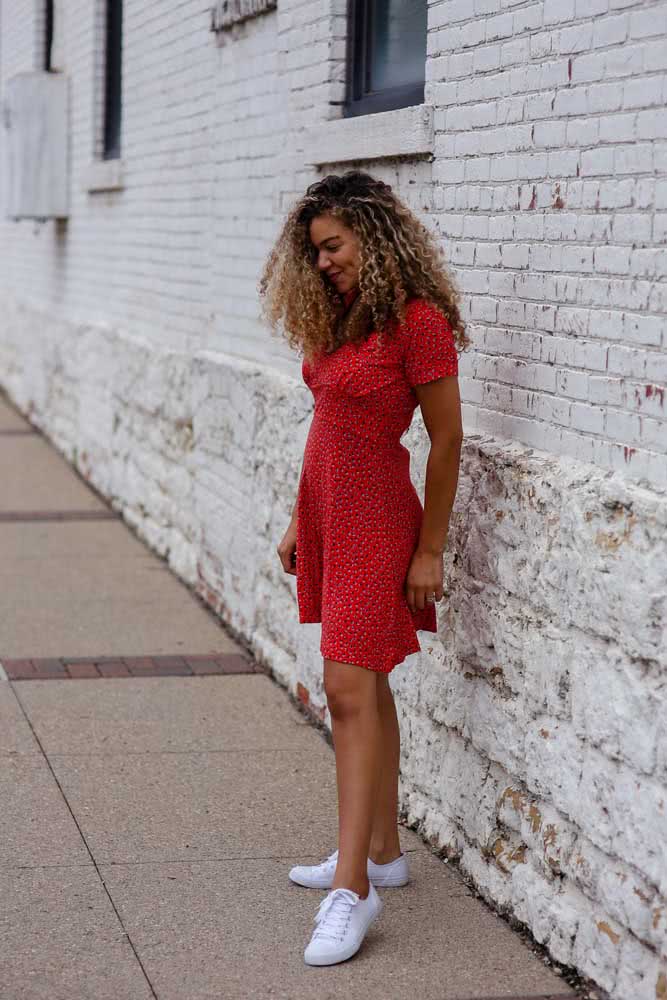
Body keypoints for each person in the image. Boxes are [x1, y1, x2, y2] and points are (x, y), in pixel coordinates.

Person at [258, 170, 468, 967]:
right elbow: (330, 422)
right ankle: (381, 851)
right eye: (312, 251)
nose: (321, 263)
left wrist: (429, 549)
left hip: (380, 521)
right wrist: (294, 517)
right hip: (328, 516)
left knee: (346, 690)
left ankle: (353, 890)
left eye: (333, 246)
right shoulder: (338, 321)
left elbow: (445, 441)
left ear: (373, 239)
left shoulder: (418, 323)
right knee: (368, 684)